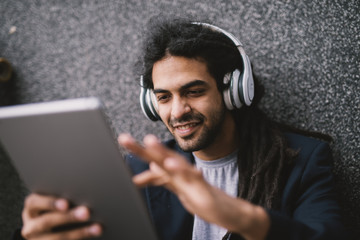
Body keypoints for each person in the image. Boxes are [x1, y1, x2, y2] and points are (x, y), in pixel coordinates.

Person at [16, 17, 347, 240]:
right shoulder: (144, 168)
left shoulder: (303, 159)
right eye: (164, 97)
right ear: (150, 103)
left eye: (194, 91)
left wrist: (241, 217)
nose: (177, 111)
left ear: (233, 91)